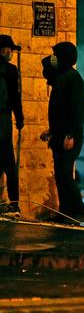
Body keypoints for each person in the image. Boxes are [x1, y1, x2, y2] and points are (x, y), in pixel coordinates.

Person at [40, 42, 84, 222]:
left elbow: (75, 109)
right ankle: (66, 213)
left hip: (69, 137)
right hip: (61, 135)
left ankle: (77, 211)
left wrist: (70, 135)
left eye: (56, 55)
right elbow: (61, 112)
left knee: (65, 175)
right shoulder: (64, 77)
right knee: (61, 175)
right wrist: (53, 130)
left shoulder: (72, 78)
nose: (53, 58)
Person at [0, 34, 23, 216]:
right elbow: (15, 97)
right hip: (3, 121)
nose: (10, 54)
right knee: (9, 162)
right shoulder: (10, 70)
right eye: (9, 50)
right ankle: (14, 203)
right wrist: (20, 118)